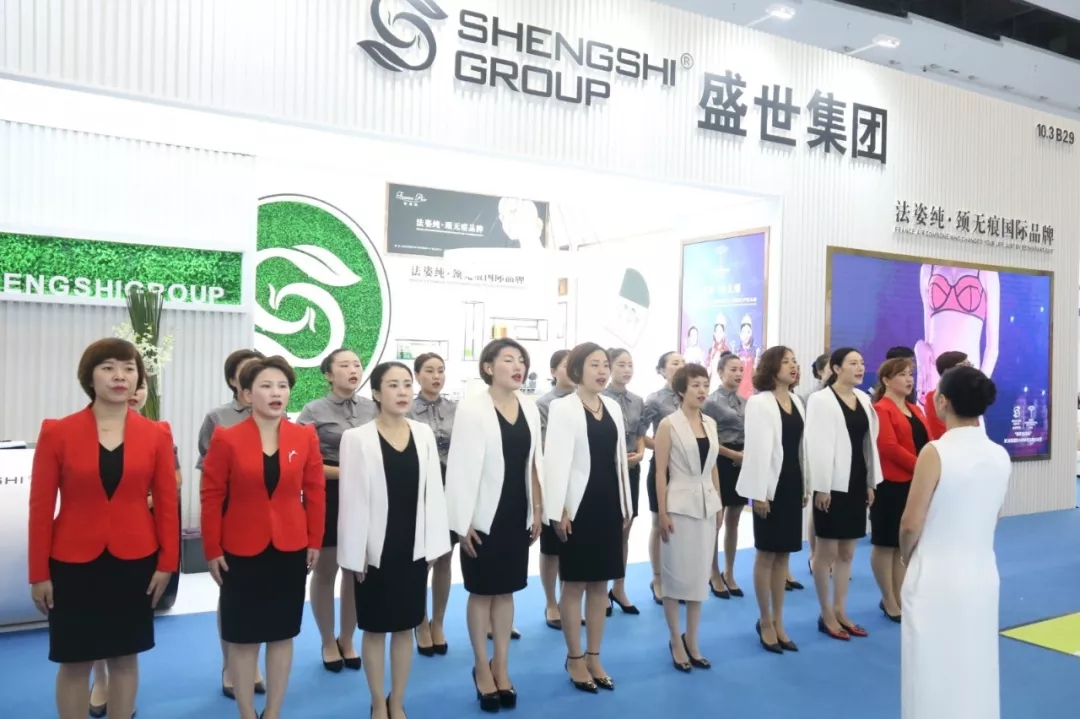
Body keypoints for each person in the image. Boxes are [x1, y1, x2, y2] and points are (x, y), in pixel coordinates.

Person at [29, 338, 178, 719]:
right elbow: (40, 508)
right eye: (108, 367)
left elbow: (166, 505)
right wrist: (38, 573)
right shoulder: (57, 432)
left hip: (135, 560)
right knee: (74, 660)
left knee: (125, 657)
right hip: (72, 562)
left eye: (128, 369)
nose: (119, 376)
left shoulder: (157, 434)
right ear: (89, 377)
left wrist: (167, 563)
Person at [200, 356, 326, 719]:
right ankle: (245, 712)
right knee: (243, 637)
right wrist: (211, 548)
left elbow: (315, 491)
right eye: (266, 386)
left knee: (282, 633)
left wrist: (314, 540)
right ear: (246, 394)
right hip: (240, 550)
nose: (276, 393)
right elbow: (211, 495)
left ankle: (272, 712)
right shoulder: (227, 438)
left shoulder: (304, 436)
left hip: (290, 548)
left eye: (282, 386)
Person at [337, 362, 451, 719]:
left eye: (406, 384)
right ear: (375, 393)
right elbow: (351, 501)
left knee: (405, 628)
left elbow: (434, 493)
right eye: (393, 385)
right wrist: (355, 555)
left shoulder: (423, 434)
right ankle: (377, 701)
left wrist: (434, 545)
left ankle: (397, 700)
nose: (403, 392)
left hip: (413, 548)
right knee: (374, 630)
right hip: (374, 551)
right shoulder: (357, 438)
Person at [900, 366, 1010, 719]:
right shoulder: (999, 454)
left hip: (935, 576)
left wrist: (906, 557)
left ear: (942, 402)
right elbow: (994, 515)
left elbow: (910, 523)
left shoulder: (935, 452)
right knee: (976, 665)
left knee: (929, 670)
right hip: (982, 574)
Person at [444, 339, 543, 712]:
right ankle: (481, 667)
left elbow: (534, 462)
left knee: (507, 591)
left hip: (518, 511)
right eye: (509, 359)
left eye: (522, 361)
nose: (518, 366)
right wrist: (462, 520)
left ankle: (501, 664)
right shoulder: (472, 409)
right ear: (488, 367)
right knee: (482, 591)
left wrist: (538, 509)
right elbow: (459, 468)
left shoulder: (529, 407)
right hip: (482, 515)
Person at [89, 378, 184, 717]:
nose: (133, 391)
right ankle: (100, 681)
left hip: (139, 534)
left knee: (128, 624)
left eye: (140, 386)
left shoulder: (158, 432)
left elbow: (174, 480)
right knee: (95, 616)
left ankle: (124, 692)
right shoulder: (88, 428)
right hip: (92, 539)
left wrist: (141, 500)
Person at [544, 342, 633, 694]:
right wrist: (559, 509)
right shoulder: (563, 407)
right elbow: (555, 462)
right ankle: (574, 657)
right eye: (594, 364)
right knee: (575, 584)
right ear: (578, 369)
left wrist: (625, 505)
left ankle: (594, 656)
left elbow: (619, 460)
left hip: (608, 504)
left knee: (600, 585)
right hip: (577, 507)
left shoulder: (612, 406)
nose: (602, 371)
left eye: (605, 365)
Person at [296, 348, 375, 672]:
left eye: (356, 364)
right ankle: (328, 640)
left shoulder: (373, 407)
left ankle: (347, 638)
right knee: (326, 569)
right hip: (327, 494)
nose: (353, 369)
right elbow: (304, 461)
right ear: (329, 374)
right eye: (344, 365)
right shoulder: (313, 410)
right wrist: (349, 472)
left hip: (366, 494)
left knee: (357, 569)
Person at [196, 348, 268, 698]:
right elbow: (208, 478)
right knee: (233, 594)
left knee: (264, 595)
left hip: (269, 520)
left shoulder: (277, 414)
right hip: (231, 518)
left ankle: (253, 663)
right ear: (233, 380)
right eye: (247, 370)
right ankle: (231, 663)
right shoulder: (219, 417)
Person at [805, 347, 882, 641]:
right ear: (836, 369)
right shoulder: (821, 400)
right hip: (831, 484)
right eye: (852, 363)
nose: (860, 368)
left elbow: (868, 445)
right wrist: (821, 486)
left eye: (861, 363)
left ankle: (840, 609)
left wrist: (870, 482)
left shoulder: (863, 399)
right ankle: (825, 612)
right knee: (826, 552)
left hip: (857, 480)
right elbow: (816, 445)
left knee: (848, 552)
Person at [737, 346, 807, 653]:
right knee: (766, 554)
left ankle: (779, 620)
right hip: (768, 486)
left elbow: (801, 448)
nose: (793, 366)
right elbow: (756, 451)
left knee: (784, 556)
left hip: (792, 482)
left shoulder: (797, 401)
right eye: (786, 361)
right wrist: (758, 493)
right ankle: (764, 620)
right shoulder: (759, 402)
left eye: (795, 361)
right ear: (771, 367)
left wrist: (805, 485)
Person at [654, 363, 721, 671]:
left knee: (698, 577)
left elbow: (713, 466)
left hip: (707, 504)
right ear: (681, 390)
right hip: (679, 505)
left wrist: (719, 503)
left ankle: (692, 639)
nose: (702, 390)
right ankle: (675, 639)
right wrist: (662, 512)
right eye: (695, 385)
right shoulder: (668, 424)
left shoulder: (710, 423)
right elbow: (660, 472)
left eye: (705, 384)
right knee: (675, 576)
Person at [406, 352, 459, 657]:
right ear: (417, 375)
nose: (436, 376)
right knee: (422, 560)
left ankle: (438, 621)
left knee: (445, 558)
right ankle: (420, 621)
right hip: (418, 490)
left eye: (440, 370)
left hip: (450, 488)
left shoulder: (456, 408)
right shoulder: (406, 408)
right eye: (429, 370)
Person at [871, 357, 929, 622]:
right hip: (891, 484)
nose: (909, 379)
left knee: (902, 545)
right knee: (885, 544)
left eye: (911, 374)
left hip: (913, 483)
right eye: (902, 374)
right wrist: (922, 467)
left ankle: (899, 595)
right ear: (886, 380)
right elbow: (888, 447)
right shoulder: (881, 409)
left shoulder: (915, 409)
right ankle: (888, 598)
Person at [602, 347, 646, 614]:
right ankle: (600, 589)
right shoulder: (599, 398)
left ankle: (619, 587)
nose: (627, 369)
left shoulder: (637, 400)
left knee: (625, 530)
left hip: (631, 469)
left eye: (630, 364)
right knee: (604, 531)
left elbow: (640, 433)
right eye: (621, 364)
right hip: (606, 470)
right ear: (609, 367)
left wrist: (640, 453)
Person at [703, 352, 748, 599]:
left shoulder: (745, 401)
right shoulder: (710, 402)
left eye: (741, 369)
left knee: (734, 519)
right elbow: (709, 439)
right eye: (733, 369)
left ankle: (729, 571)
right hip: (719, 460)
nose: (738, 373)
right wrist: (733, 455)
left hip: (742, 461)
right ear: (720, 372)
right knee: (716, 520)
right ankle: (713, 572)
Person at [642, 351, 686, 602]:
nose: (680, 366)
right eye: (674, 363)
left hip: (687, 470)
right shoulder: (654, 400)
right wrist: (663, 448)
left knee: (682, 524)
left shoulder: (691, 395)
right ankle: (657, 578)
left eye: (683, 362)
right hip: (662, 467)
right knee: (659, 522)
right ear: (661, 370)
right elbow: (640, 434)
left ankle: (677, 577)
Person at [536, 349, 575, 630]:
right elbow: (543, 446)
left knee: (574, 547)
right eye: (565, 365)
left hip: (580, 482)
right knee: (551, 548)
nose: (571, 370)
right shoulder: (544, 404)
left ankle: (568, 601)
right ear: (553, 371)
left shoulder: (584, 401)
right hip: (553, 481)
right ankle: (551, 601)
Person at [922, 351, 970, 439]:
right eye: (963, 366)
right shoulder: (934, 397)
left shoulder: (970, 394)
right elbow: (938, 432)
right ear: (947, 371)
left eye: (969, 365)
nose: (969, 370)